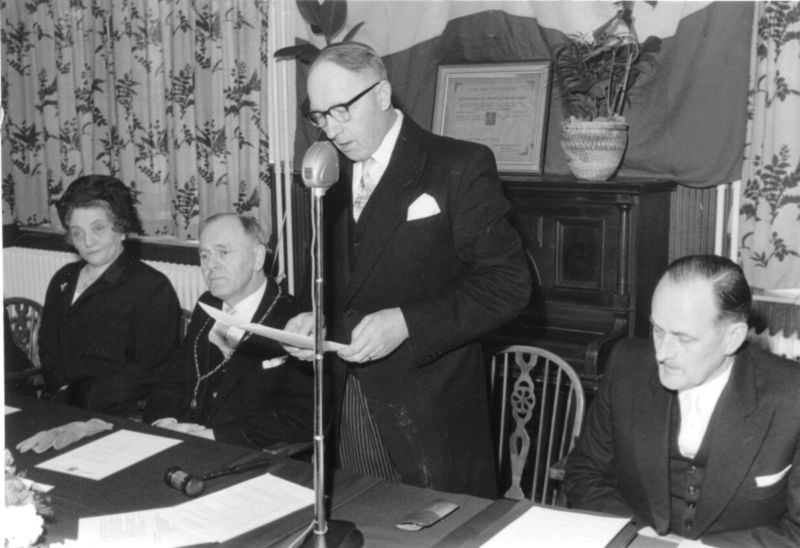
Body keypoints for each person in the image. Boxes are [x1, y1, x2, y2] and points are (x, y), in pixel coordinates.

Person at [283, 42, 531, 498]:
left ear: (382, 94)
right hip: (346, 403)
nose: (331, 130)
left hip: (430, 414)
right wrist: (310, 316)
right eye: (320, 116)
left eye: (341, 111)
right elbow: (327, 274)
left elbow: (509, 284)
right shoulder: (328, 170)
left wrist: (407, 323)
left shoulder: (458, 165)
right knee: (358, 519)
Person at [565, 254, 800, 546]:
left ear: (733, 337)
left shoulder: (792, 395)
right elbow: (585, 475)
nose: (662, 353)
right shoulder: (626, 366)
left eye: (683, 338)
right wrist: (637, 535)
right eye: (657, 330)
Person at [144, 214, 314, 449]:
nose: (210, 265)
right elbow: (174, 377)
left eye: (223, 252)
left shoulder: (294, 319)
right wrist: (165, 423)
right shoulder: (207, 305)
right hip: (184, 440)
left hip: (247, 451)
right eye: (204, 255)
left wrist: (217, 436)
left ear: (257, 258)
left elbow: (306, 414)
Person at [39, 175, 181, 417]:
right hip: (60, 404)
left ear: (121, 229)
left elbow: (152, 368)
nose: (88, 242)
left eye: (98, 229)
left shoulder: (152, 287)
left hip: (116, 412)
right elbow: (47, 347)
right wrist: (60, 389)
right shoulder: (63, 278)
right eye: (77, 233)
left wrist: (81, 396)